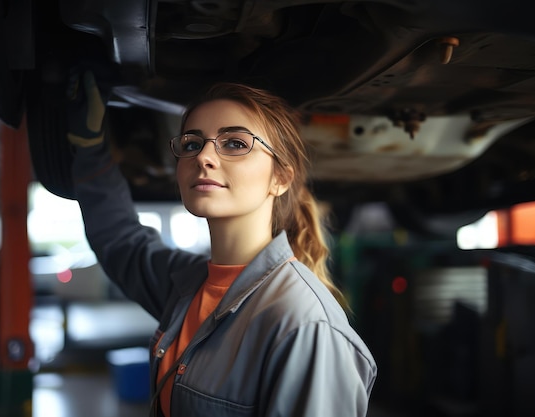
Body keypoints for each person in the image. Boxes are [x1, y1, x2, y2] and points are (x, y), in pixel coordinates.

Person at [68, 70, 377, 417]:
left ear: (280, 178)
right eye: (191, 143)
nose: (203, 157)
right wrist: (89, 145)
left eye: (235, 143)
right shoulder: (187, 285)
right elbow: (120, 240)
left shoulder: (305, 327)